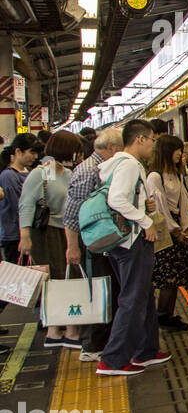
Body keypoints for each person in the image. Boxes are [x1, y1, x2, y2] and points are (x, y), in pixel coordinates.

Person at [96, 120, 170, 376]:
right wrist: (145, 220)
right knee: (133, 299)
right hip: (132, 242)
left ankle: (145, 351)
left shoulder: (116, 163)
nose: (153, 144)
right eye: (151, 139)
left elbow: (124, 198)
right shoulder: (128, 164)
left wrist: (142, 206)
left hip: (124, 241)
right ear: (140, 139)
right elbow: (116, 199)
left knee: (143, 296)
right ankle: (113, 360)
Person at [64, 127, 125, 362]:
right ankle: (92, 345)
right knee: (98, 291)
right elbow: (71, 214)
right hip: (91, 243)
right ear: (111, 148)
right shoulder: (88, 171)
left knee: (106, 289)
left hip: (99, 240)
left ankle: (102, 340)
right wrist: (73, 246)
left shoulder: (99, 168)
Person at [18, 130, 83, 348]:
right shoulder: (43, 173)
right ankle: (58, 330)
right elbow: (26, 204)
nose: (77, 154)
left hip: (66, 230)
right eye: (74, 150)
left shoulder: (66, 172)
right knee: (55, 280)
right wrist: (24, 236)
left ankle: (59, 329)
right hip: (47, 233)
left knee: (65, 277)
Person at [146, 134, 188, 332]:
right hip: (165, 233)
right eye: (176, 150)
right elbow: (160, 209)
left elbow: (183, 201)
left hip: (179, 229)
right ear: (166, 151)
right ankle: (162, 315)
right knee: (168, 278)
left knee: (176, 277)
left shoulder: (177, 173)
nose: (180, 154)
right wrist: (175, 231)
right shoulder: (155, 177)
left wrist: (187, 226)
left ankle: (169, 314)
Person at [0, 134, 40, 262]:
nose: (35, 157)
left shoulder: (29, 172)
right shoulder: (8, 176)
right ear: (18, 151)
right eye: (32, 152)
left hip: (26, 232)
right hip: (14, 236)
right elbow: (18, 205)